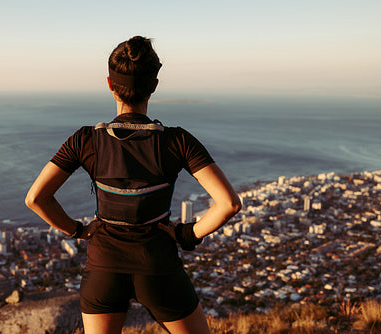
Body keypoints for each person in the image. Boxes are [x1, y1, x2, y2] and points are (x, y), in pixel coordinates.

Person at [25, 36, 242, 334]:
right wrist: (186, 233)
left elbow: (36, 198)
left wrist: (76, 230)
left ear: (110, 84)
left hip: (103, 266)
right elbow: (229, 204)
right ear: (154, 85)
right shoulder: (176, 140)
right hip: (159, 267)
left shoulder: (86, 139)